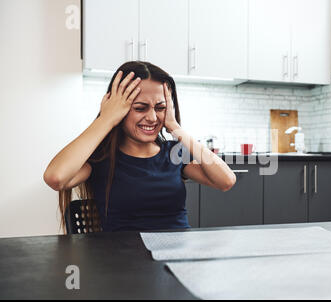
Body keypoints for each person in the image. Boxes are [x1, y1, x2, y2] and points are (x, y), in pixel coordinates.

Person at [44, 61, 236, 233]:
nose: (152, 118)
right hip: (123, 262)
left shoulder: (175, 153)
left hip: (177, 255)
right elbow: (56, 178)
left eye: (160, 108)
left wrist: (175, 127)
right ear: (119, 109)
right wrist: (106, 119)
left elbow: (226, 180)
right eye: (140, 108)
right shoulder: (100, 159)